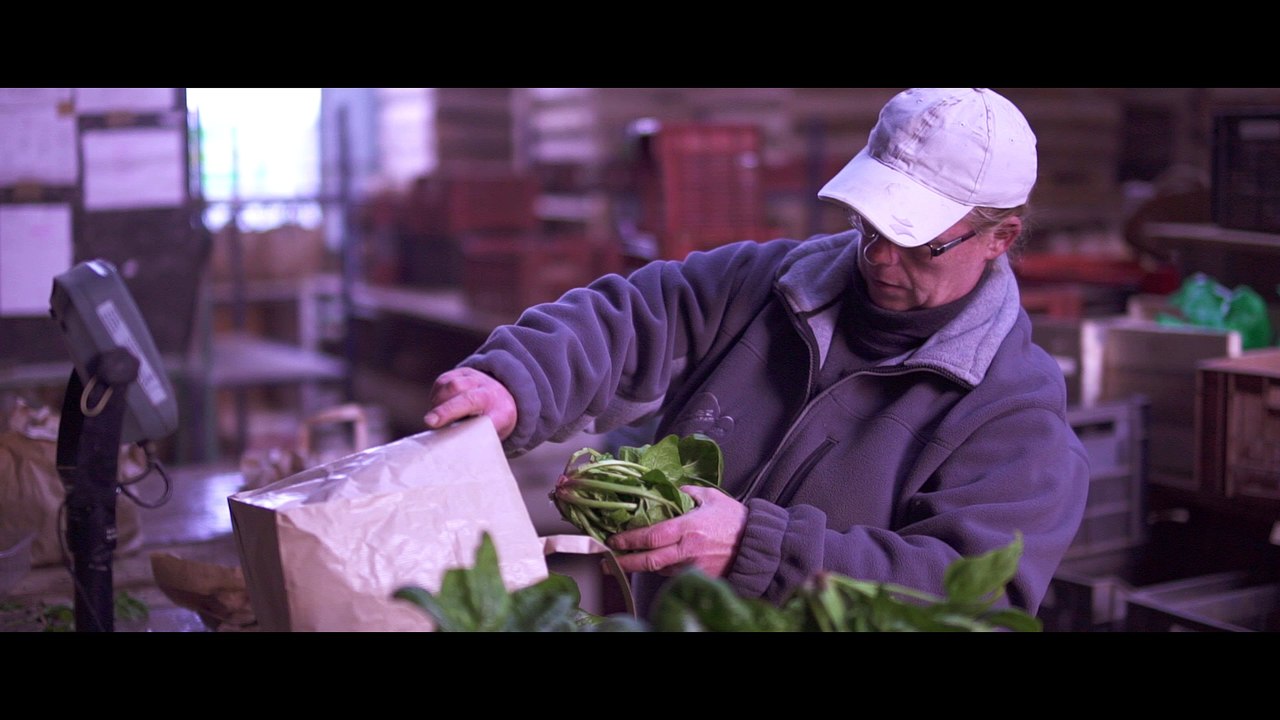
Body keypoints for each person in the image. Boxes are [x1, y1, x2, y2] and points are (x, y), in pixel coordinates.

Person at [424, 87, 1090, 618]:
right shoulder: (768, 284)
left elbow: (970, 591)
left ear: (999, 237)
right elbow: (632, 314)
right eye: (871, 223)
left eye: (917, 243)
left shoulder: (1014, 414)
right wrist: (516, 381)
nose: (880, 257)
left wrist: (760, 548)